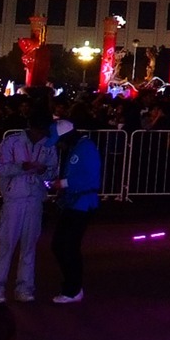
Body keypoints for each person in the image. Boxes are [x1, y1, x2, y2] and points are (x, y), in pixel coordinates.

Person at [0, 106, 56, 304]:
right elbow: (1, 167)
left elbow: (52, 172)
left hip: (34, 199)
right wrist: (21, 167)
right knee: (4, 246)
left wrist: (43, 171)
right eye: (39, 129)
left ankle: (25, 288)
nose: (40, 134)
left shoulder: (48, 145)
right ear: (30, 126)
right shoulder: (12, 141)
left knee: (29, 246)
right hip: (14, 200)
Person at [49, 119, 101, 305]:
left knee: (67, 246)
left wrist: (63, 183)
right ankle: (72, 287)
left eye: (59, 140)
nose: (58, 144)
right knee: (62, 245)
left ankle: (73, 288)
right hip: (74, 202)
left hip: (82, 203)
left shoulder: (85, 148)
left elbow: (91, 178)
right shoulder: (78, 147)